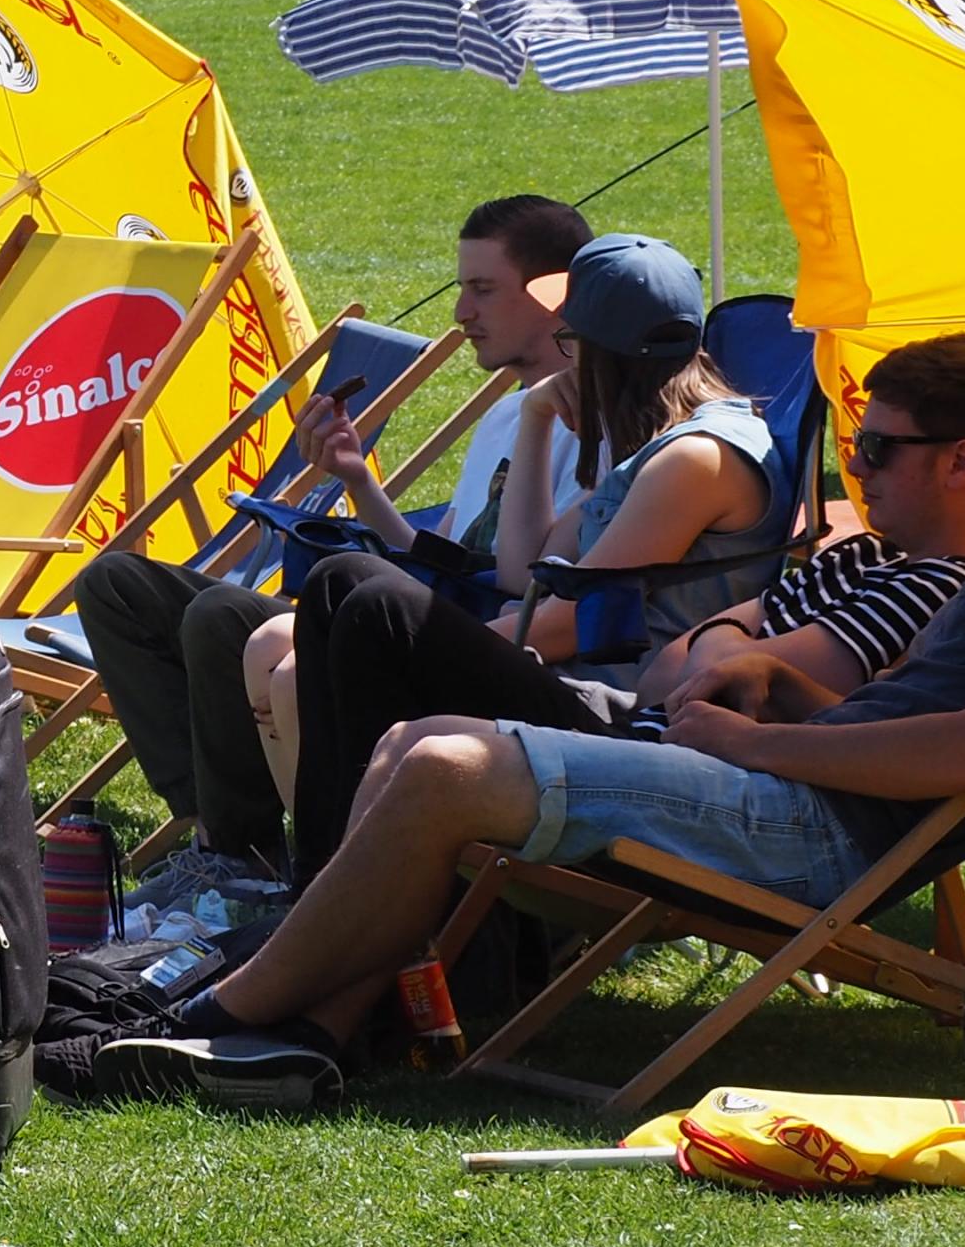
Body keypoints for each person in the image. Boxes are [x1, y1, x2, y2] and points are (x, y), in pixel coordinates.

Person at [102, 291, 965, 1111]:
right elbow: (911, 713)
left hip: (813, 827)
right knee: (412, 741)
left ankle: (223, 1010)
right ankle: (315, 1035)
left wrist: (753, 741)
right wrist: (783, 689)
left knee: (438, 765)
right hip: (787, 782)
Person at [67, 194, 593, 898]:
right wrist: (355, 477)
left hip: (461, 652)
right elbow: (434, 559)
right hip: (417, 618)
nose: (461, 311)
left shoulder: (595, 432)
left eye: (482, 289)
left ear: (557, 296)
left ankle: (239, 857)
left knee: (221, 619)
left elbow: (538, 594)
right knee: (117, 585)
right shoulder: (506, 413)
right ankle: (220, 838)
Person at [272, 232, 784, 881]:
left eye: (570, 342)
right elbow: (522, 570)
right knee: (347, 584)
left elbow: (568, 624)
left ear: (598, 352)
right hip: (574, 683)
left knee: (372, 605)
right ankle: (326, 882)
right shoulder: (661, 446)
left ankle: (329, 889)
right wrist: (537, 418)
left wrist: (426, 645)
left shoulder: (694, 459)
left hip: (625, 718)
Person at [636, 332, 965, 714]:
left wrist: (718, 635)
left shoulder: (941, 589)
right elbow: (659, 675)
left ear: (959, 464)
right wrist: (725, 644)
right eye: (859, 441)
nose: (856, 465)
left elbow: (724, 685)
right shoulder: (863, 553)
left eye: (877, 447)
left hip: (673, 748)